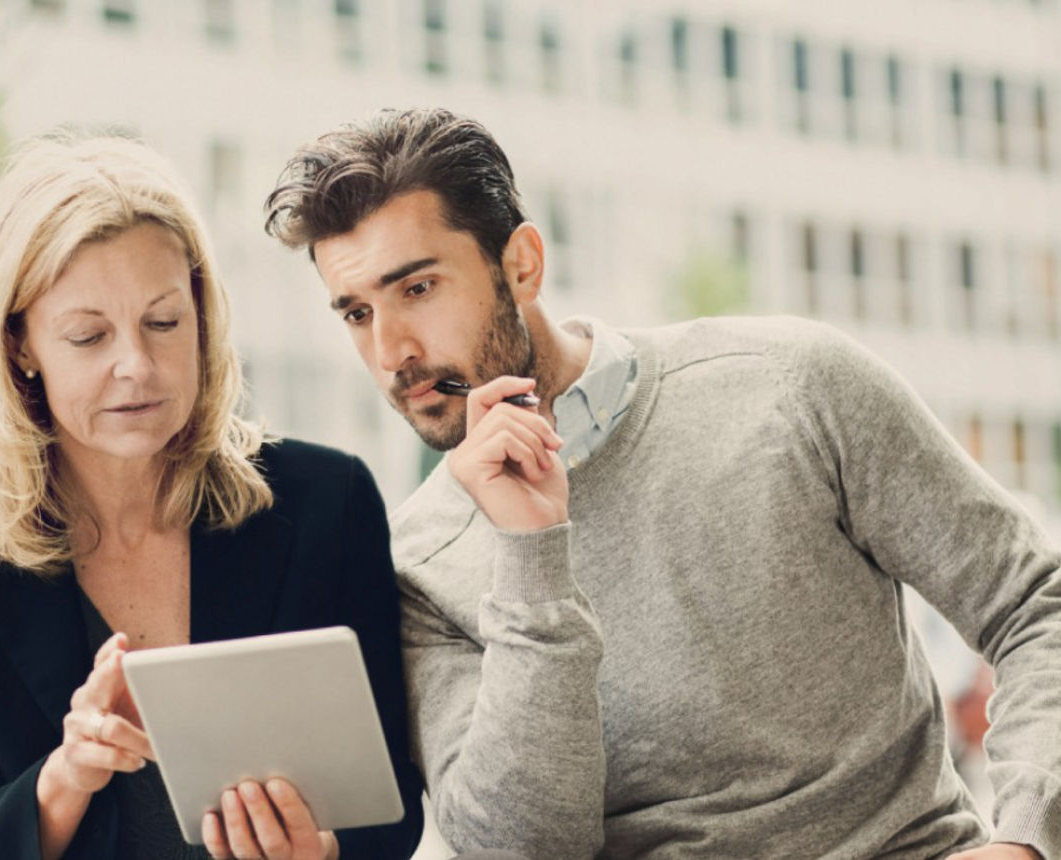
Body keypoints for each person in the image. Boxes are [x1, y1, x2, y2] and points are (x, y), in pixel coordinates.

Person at [263, 108, 1061, 859]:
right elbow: (521, 849)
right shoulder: (419, 563)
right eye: (356, 314)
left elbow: (1036, 605)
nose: (392, 351)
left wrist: (1024, 835)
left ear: (522, 264)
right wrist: (531, 557)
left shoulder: (793, 385)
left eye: (417, 288)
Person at [0, 131, 424, 860]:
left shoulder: (328, 503)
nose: (136, 365)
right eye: (87, 337)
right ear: (20, 345)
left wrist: (320, 853)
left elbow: (388, 809)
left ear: (202, 318)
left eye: (163, 323)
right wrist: (65, 779)